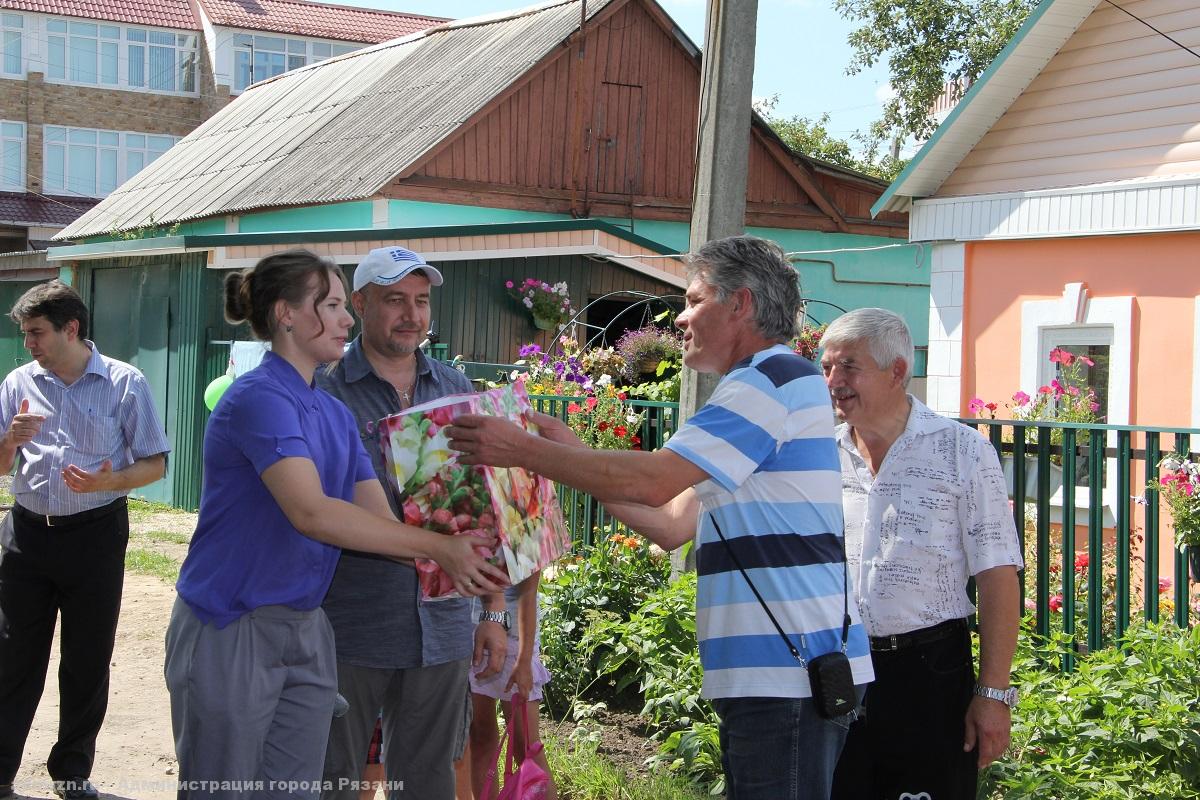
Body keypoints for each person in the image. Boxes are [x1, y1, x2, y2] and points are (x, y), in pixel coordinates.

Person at [449, 235, 874, 800]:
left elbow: (653, 482)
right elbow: (673, 520)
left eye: (695, 300)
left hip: (784, 672)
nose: (680, 317)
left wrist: (523, 451)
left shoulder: (766, 381)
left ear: (740, 304)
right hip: (785, 670)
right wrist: (571, 452)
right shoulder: (771, 385)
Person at [165, 249, 506, 800]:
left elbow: (379, 523)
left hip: (305, 628)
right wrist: (440, 550)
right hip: (233, 623)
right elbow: (314, 513)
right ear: (287, 315)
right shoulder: (260, 398)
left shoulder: (331, 414)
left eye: (344, 305)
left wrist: (472, 566)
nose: (346, 319)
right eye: (331, 304)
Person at [317, 246, 510, 800]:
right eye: (395, 299)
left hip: (444, 627)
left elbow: (486, 508)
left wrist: (495, 613)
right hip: (348, 625)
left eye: (421, 301)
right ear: (358, 303)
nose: (412, 314)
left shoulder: (455, 389)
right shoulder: (324, 390)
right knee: (333, 780)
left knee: (428, 784)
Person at [820, 308, 1023, 800]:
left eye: (848, 366)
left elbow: (998, 576)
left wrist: (993, 694)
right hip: (834, 670)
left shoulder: (962, 452)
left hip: (928, 672)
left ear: (896, 371)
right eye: (825, 367)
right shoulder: (820, 452)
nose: (833, 381)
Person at [0, 280, 170, 800]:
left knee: (86, 658)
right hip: (26, 535)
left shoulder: (125, 383)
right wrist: (10, 440)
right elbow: (0, 463)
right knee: (11, 657)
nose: (28, 343)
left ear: (71, 329)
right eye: (25, 334)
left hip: (95, 535)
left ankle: (71, 772)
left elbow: (155, 463)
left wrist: (108, 482)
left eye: (36, 333)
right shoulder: (17, 383)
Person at [465, 572, 556, 800]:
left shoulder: (525, 534)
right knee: (480, 737)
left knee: (525, 746)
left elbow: (528, 593)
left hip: (516, 640)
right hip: (470, 633)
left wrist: (524, 661)